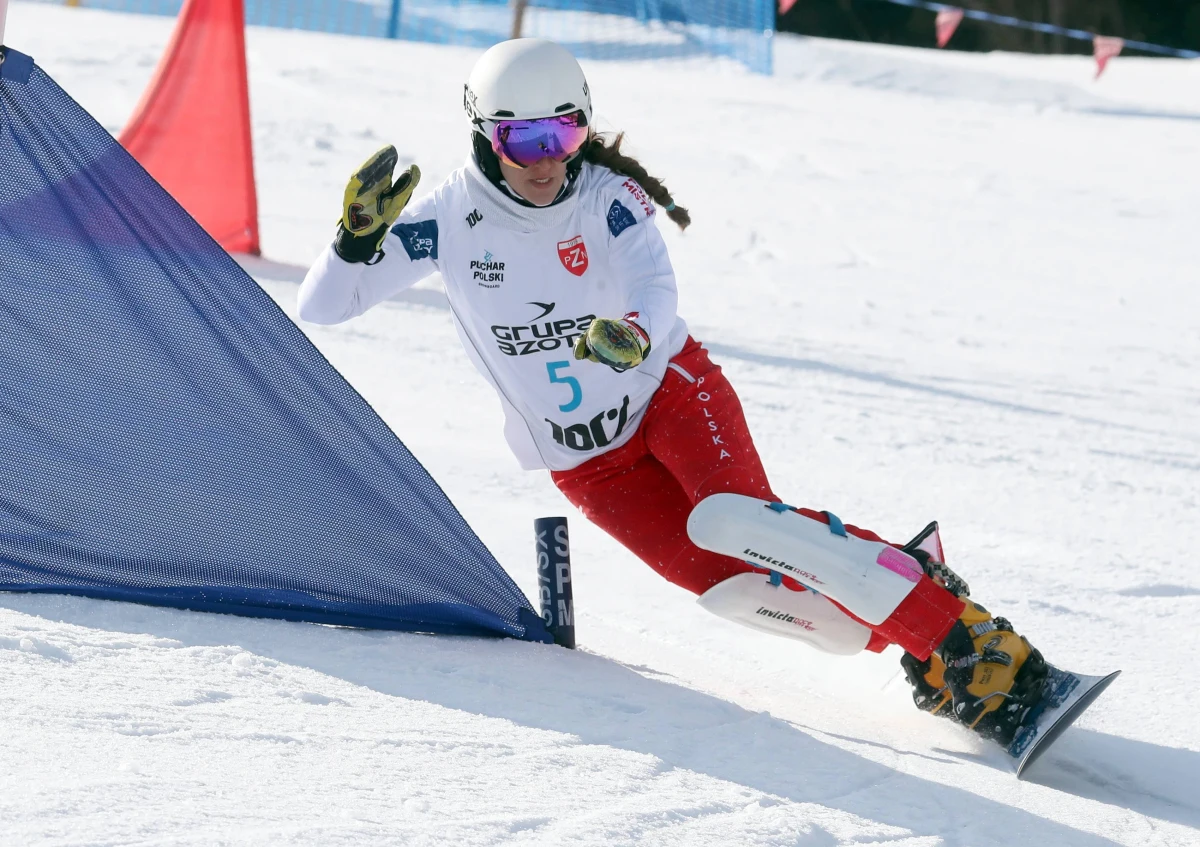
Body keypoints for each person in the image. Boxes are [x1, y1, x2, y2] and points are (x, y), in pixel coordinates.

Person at [298, 38, 1049, 748]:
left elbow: (653, 283)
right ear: (486, 136)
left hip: (668, 393)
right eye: (524, 141)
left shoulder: (606, 196)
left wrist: (634, 333)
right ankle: (918, 597)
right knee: (752, 590)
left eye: (565, 133)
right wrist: (353, 242)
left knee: (740, 523)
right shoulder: (448, 218)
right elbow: (324, 305)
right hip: (586, 463)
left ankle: (970, 644)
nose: (547, 160)